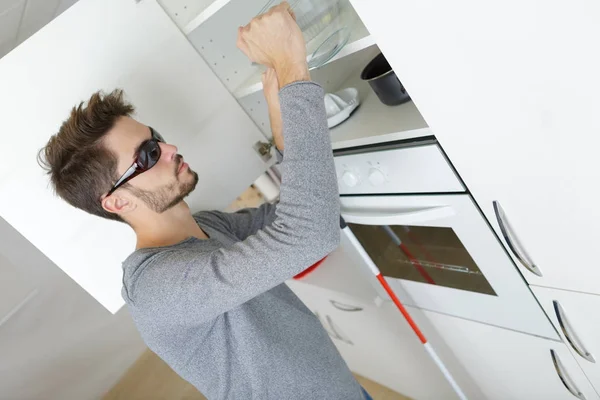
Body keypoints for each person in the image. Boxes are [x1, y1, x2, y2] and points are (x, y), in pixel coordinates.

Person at [39, 3, 372, 400]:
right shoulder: (158, 290)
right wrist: (291, 65)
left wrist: (283, 127)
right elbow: (310, 234)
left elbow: (318, 212)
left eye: (157, 138)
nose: (170, 148)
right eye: (147, 155)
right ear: (116, 202)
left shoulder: (209, 226)